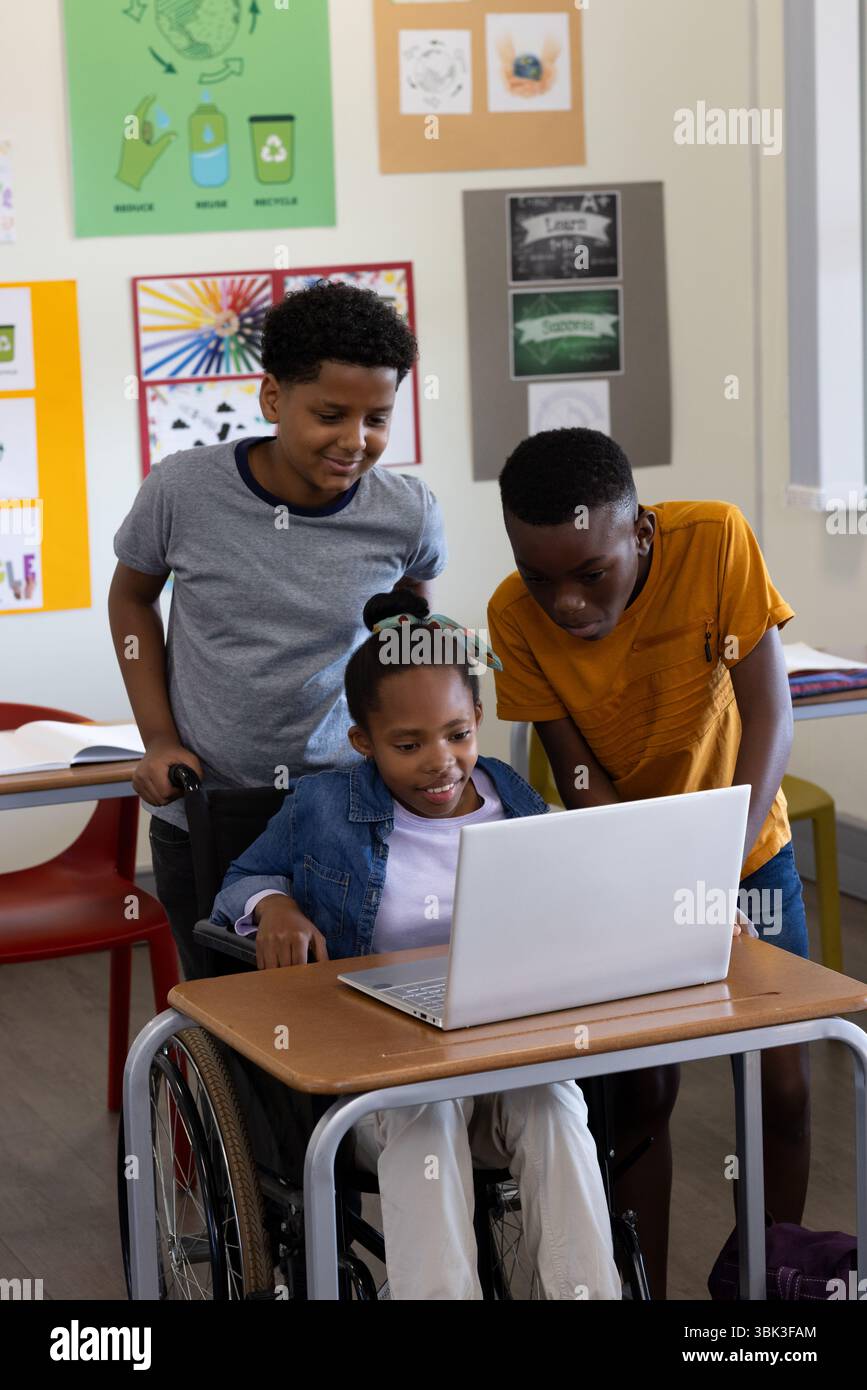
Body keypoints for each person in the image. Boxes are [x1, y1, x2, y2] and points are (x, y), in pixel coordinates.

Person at [210, 589, 623, 1301]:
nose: (441, 762)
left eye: (457, 735)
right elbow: (242, 876)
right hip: (384, 1077)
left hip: (503, 1055)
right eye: (408, 745)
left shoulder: (513, 796)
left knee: (555, 1102)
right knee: (425, 1114)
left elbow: (582, 875)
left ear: (479, 722)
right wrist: (272, 903)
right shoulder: (324, 807)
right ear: (363, 742)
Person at [487, 427, 809, 1299]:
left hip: (747, 848)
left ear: (639, 532)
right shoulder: (510, 620)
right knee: (638, 1095)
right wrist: (655, 882)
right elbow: (575, 772)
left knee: (778, 1080)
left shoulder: (713, 541)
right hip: (626, 866)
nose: (562, 602)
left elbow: (768, 714)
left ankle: (766, 1292)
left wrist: (716, 870)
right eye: (535, 573)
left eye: (588, 573)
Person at [109, 280, 446, 981]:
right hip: (205, 807)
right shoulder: (182, 492)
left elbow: (407, 631)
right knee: (230, 1014)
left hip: (350, 808)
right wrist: (160, 739)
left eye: (377, 419)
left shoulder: (405, 513)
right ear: (272, 400)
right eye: (330, 414)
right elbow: (133, 601)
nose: (355, 442)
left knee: (355, 1005)